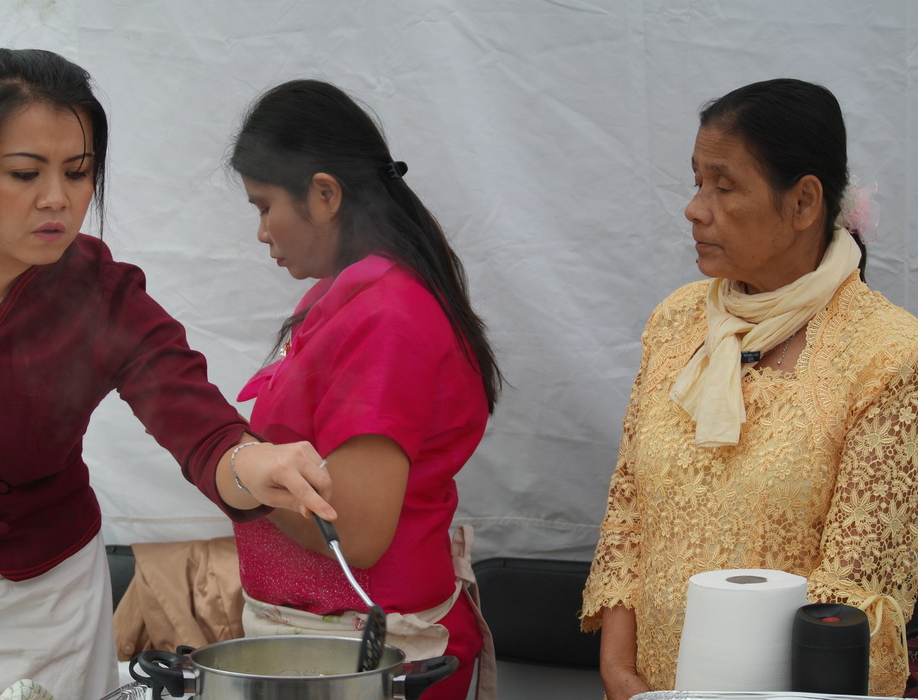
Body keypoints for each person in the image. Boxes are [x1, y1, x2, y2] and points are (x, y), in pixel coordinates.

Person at [0, 48, 334, 700]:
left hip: (42, 612)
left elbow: (200, 429)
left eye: (79, 172)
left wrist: (254, 464)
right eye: (25, 173)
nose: (57, 198)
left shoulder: (104, 298)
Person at [581, 77, 918, 699]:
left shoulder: (888, 355)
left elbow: (851, 595)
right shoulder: (679, 320)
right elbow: (628, 509)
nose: (695, 208)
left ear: (804, 202)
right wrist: (622, 675)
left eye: (724, 185)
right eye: (696, 182)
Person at [226, 79, 503, 700]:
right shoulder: (344, 298)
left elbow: (354, 532)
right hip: (324, 638)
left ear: (324, 194)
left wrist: (230, 466)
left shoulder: (386, 316)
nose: (262, 231)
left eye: (264, 206)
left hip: (369, 650)